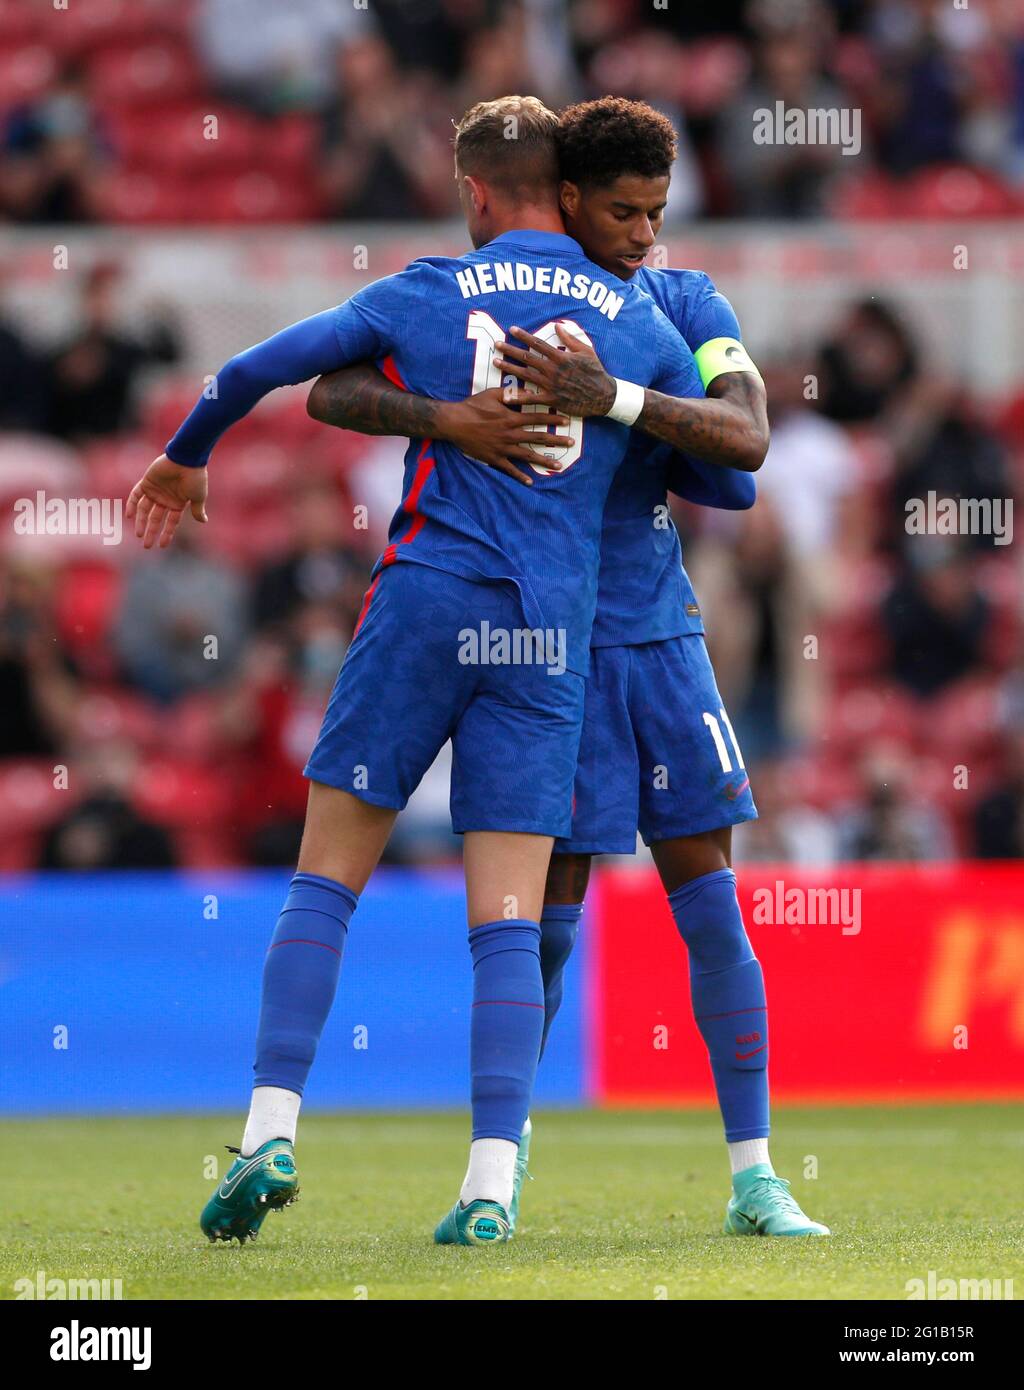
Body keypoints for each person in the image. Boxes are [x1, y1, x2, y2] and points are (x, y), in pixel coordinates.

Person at [125, 95, 728, 1247]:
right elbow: (733, 466)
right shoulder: (638, 314)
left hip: (424, 599)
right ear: (564, 194)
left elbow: (271, 369)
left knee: (327, 877)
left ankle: (268, 1130)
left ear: (475, 192)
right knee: (507, 917)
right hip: (550, 634)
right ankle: (489, 1183)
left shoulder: (429, 290)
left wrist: (184, 455)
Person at [307, 97, 828, 1237]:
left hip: (660, 634)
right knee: (542, 916)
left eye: (657, 212)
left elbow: (743, 450)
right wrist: (456, 417)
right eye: (627, 212)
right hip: (552, 645)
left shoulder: (682, 304)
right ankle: (502, 1162)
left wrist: (625, 403)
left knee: (709, 900)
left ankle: (756, 1173)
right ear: (570, 201)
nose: (645, 234)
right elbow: (333, 388)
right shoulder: (495, 311)